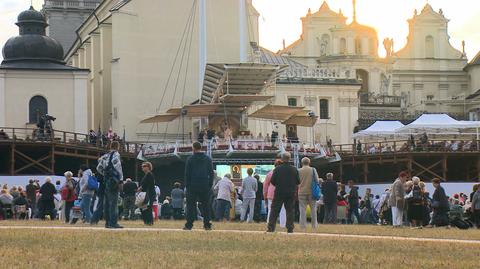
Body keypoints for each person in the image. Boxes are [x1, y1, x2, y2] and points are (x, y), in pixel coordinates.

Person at [183, 142, 214, 231]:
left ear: (193, 148)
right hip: (204, 185)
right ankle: (207, 224)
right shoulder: (207, 159)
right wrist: (209, 184)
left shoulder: (190, 159)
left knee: (191, 206)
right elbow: (211, 173)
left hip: (192, 185)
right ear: (200, 148)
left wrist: (187, 185)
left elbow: (187, 174)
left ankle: (189, 224)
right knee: (206, 205)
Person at [267, 152, 300, 233]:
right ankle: (290, 228)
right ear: (290, 159)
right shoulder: (294, 169)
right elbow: (298, 181)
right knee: (290, 210)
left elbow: (273, 181)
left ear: (282, 159)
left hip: (279, 192)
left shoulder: (277, 169)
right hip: (290, 192)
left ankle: (271, 228)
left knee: (274, 210)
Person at [96, 141, 124, 229]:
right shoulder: (116, 154)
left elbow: (98, 168)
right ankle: (113, 223)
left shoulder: (105, 156)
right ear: (117, 147)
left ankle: (107, 223)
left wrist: (104, 174)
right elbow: (118, 166)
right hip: (114, 181)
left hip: (106, 180)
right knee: (114, 203)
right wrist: (121, 180)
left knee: (107, 203)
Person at [297, 157, 319, 229]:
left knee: (302, 209)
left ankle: (303, 226)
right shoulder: (313, 169)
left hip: (301, 192)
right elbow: (317, 180)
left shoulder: (298, 170)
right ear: (309, 163)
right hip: (311, 192)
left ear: (302, 163)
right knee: (313, 209)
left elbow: (297, 182)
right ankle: (314, 226)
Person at [264, 160, 286, 228]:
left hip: (271, 194)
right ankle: (283, 225)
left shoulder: (269, 174)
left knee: (271, 209)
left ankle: (269, 223)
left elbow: (265, 186)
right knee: (283, 210)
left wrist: (265, 195)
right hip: (282, 193)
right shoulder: (284, 174)